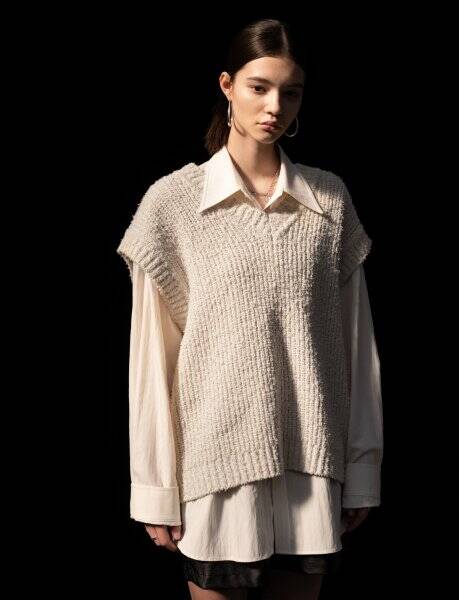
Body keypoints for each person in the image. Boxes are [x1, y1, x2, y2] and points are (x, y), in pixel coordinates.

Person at [117, 18, 383, 600]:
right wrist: (156, 489)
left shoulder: (329, 202)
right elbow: (153, 361)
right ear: (227, 85)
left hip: (310, 471)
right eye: (259, 87)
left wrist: (361, 471)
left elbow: (356, 351)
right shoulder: (173, 205)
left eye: (291, 92)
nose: (275, 107)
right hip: (215, 475)